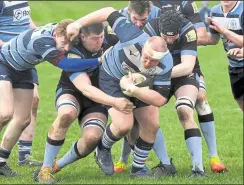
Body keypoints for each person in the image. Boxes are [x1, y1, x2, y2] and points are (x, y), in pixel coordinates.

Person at [66, 7, 173, 178]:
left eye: (153, 61)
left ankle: (138, 169)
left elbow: (160, 99)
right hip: (111, 78)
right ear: (143, 47)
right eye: (146, 57)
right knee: (124, 125)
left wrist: (134, 90)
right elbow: (108, 11)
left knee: (152, 124)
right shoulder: (132, 35)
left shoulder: (166, 64)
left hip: (136, 84)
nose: (147, 62)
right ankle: (103, 147)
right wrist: (77, 24)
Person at [0, 19, 109, 177]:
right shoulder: (42, 41)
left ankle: (1, 163)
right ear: (55, 35)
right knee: (5, 114)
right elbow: (66, 64)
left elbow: (83, 27)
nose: (65, 48)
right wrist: (99, 60)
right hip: (4, 63)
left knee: (23, 119)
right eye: (63, 43)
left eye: (69, 45)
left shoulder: (63, 30)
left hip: (24, 69)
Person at [34, 23, 133, 184]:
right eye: (95, 38)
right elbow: (85, 88)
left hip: (98, 97)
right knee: (66, 113)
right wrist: (115, 101)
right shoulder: (73, 50)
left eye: (101, 37)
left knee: (92, 138)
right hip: (72, 91)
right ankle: (44, 169)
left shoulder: (110, 38)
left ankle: (56, 166)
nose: (100, 41)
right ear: (83, 36)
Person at [150, 0, 227, 174]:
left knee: (200, 99)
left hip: (185, 65)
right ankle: (129, 161)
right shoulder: (149, 6)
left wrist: (189, 36)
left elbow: (201, 34)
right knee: (141, 109)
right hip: (160, 67)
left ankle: (214, 157)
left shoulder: (185, 3)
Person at [109, 1, 176, 176]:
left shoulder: (157, 17)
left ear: (150, 11)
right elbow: (109, 46)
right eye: (135, 19)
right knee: (128, 123)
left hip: (144, 75)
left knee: (149, 121)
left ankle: (143, 165)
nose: (139, 23)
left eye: (143, 19)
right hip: (118, 74)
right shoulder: (119, 22)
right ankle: (123, 160)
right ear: (128, 11)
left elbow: (158, 49)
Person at [0, 0, 42, 167]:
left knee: (31, 106)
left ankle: (21, 157)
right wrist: (6, 48)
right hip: (5, 58)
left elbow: (25, 20)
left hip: (24, 59)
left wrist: (39, 34)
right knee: (5, 113)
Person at [201, 1, 243, 111]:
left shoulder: (242, 10)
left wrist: (224, 31)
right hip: (235, 66)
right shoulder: (215, 11)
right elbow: (213, 39)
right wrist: (185, 38)